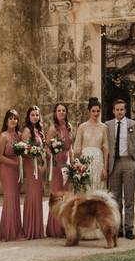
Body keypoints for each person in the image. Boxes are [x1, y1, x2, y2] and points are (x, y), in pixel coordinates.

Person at [105, 98, 135, 240]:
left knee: (129, 198)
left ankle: (129, 228)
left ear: (125, 110)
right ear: (113, 111)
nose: (119, 112)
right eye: (117, 109)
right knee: (115, 199)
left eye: (122, 109)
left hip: (129, 163)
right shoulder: (107, 125)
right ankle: (118, 228)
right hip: (114, 163)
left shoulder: (134, 124)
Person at [46, 102, 74, 238]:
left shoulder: (69, 127)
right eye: (59, 110)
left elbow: (71, 147)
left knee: (66, 196)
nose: (61, 112)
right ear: (55, 113)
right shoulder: (52, 129)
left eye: (63, 110)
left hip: (67, 165)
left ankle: (65, 227)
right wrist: (54, 154)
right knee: (57, 195)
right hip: (57, 165)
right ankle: (54, 228)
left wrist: (73, 161)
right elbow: (47, 148)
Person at [0, 109, 23, 241]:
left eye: (15, 118)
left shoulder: (20, 135)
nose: (13, 120)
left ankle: (17, 230)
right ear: (6, 120)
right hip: (7, 169)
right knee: (10, 198)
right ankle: (8, 232)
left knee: (16, 198)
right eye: (11, 118)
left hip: (18, 169)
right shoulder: (3, 136)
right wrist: (14, 163)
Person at [20, 105, 47, 239]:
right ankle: (30, 229)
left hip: (39, 165)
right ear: (28, 116)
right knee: (32, 194)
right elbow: (24, 150)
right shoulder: (26, 130)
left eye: (37, 115)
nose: (35, 117)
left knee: (37, 195)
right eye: (32, 115)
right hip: (31, 166)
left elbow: (42, 148)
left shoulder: (38, 130)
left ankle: (37, 229)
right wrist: (33, 155)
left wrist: (43, 161)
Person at [75, 98, 108, 191]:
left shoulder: (103, 127)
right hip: (85, 161)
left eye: (98, 111)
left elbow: (106, 149)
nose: (96, 113)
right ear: (88, 111)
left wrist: (105, 168)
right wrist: (78, 166)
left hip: (98, 161)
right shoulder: (82, 127)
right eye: (93, 111)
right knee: (85, 188)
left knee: (98, 188)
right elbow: (77, 148)